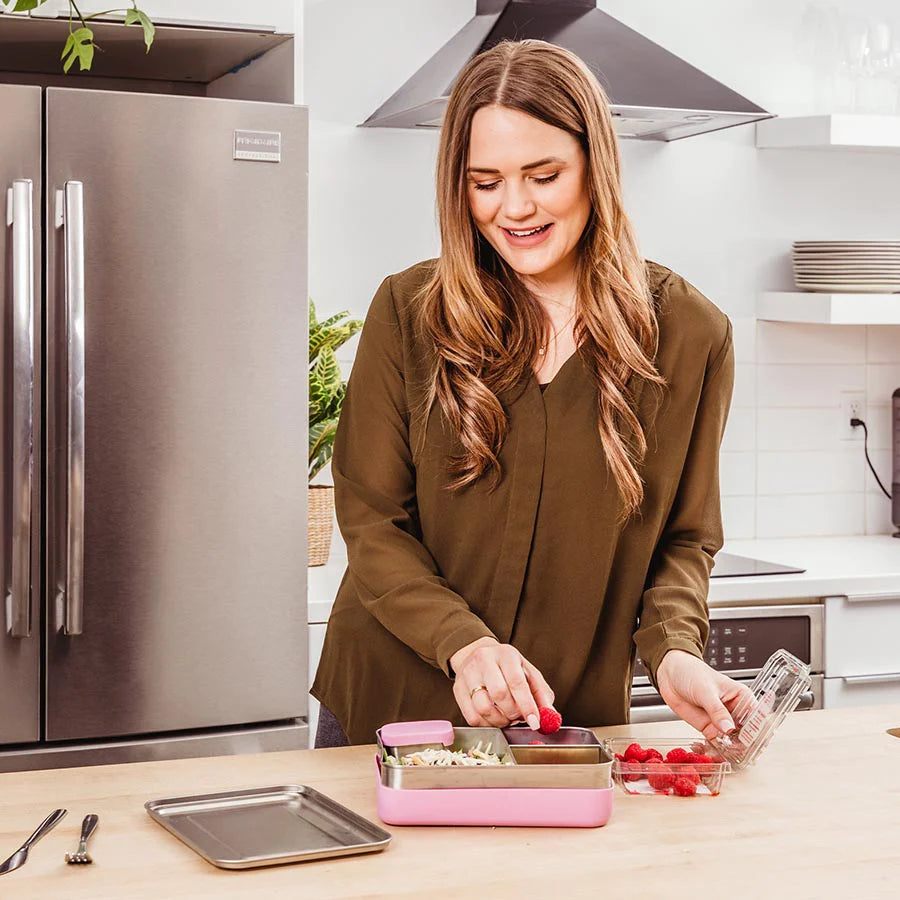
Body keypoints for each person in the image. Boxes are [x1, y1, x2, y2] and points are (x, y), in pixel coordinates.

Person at [311, 39, 752, 749]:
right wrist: (463, 644)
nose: (515, 208)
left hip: (561, 726)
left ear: (594, 167)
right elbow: (371, 520)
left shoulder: (690, 335)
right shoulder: (408, 311)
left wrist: (675, 651)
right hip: (390, 709)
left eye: (543, 176)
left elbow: (685, 535)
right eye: (485, 183)